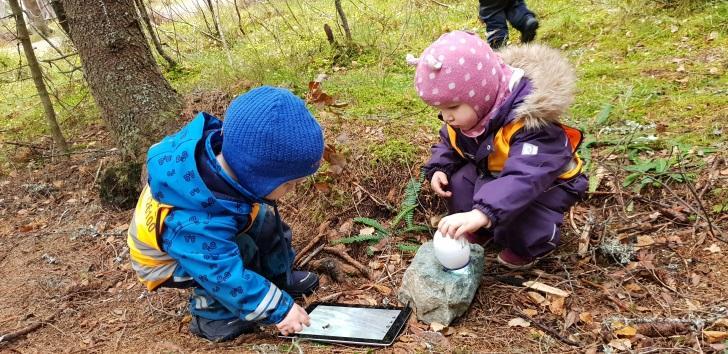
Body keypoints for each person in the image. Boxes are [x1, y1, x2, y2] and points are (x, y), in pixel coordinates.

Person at [127, 86, 324, 341]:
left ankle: (277, 279)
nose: (293, 190)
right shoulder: (194, 221)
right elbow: (222, 273)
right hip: (169, 261)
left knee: (264, 222)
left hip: (215, 224)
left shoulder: (230, 166)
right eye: (289, 184)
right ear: (256, 175)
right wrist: (280, 310)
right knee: (237, 252)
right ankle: (212, 316)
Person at [409, 31, 587, 269]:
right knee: (458, 183)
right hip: (495, 169)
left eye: (452, 106)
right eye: (438, 108)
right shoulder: (471, 116)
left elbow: (524, 178)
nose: (446, 116)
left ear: (482, 95)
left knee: (522, 220)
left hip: (544, 183)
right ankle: (484, 227)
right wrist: (439, 167)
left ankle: (534, 244)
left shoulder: (532, 123)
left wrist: (484, 211)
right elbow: (448, 141)